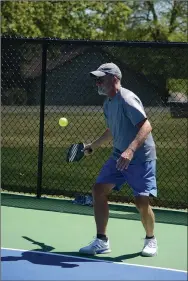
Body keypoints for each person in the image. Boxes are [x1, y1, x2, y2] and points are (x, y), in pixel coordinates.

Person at [79, 63, 158, 257]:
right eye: (96, 80)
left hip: (140, 157)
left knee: (141, 201)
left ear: (115, 79)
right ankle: (101, 241)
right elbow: (112, 131)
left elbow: (146, 126)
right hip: (119, 155)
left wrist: (130, 150)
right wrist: (93, 146)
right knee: (98, 190)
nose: (98, 83)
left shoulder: (127, 99)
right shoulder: (108, 103)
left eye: (101, 79)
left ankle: (150, 239)